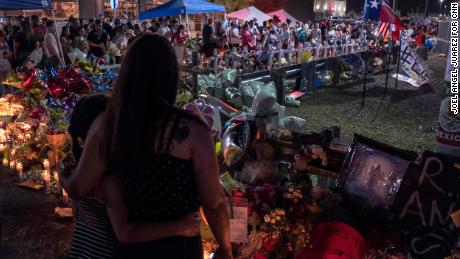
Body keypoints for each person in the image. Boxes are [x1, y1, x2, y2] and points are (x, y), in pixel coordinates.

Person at [59, 34, 232, 259]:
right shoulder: (194, 133)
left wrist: (63, 172)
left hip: (131, 248)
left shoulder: (107, 125)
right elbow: (215, 203)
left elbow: (78, 188)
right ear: (171, 76)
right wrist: (225, 249)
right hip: (180, 249)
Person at [62, 93, 201, 259]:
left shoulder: (76, 172)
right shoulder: (109, 180)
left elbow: (78, 216)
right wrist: (180, 227)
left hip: (81, 249)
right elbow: (125, 232)